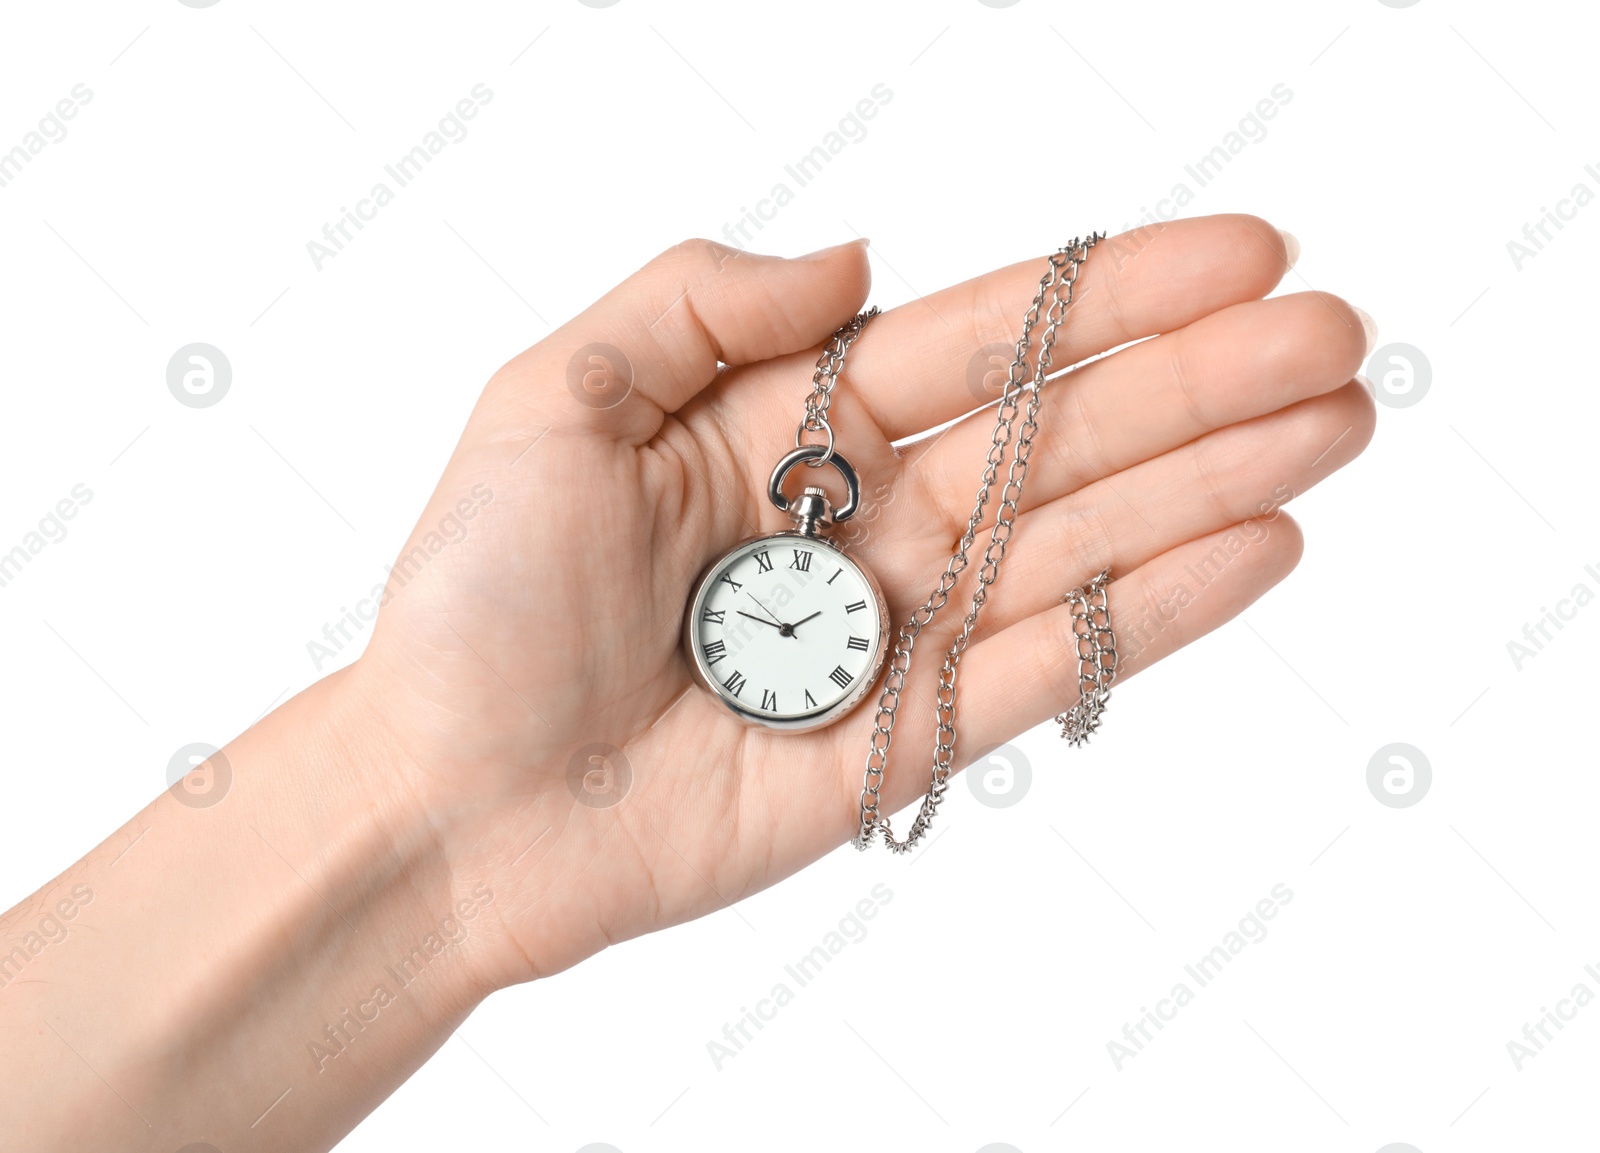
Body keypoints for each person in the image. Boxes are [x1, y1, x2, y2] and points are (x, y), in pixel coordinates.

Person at [0, 214, 1374, 1150]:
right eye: (774, 634)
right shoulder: (737, 587)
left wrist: (424, 822)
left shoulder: (813, 583)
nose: (785, 638)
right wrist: (425, 794)